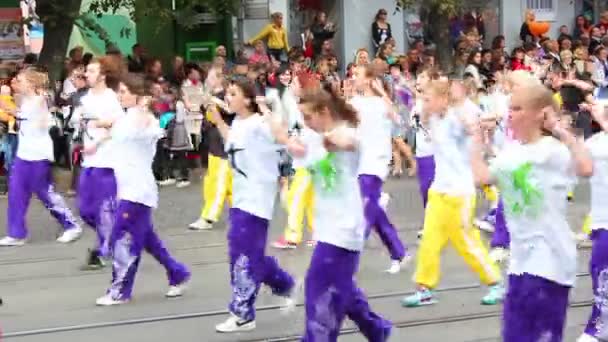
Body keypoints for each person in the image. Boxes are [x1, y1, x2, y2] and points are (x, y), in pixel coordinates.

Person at [470, 82, 592, 342]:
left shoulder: (553, 151)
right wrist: (477, 141)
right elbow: (481, 177)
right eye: (509, 108)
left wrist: (558, 128)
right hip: (521, 262)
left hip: (551, 261)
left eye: (517, 108)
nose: (509, 115)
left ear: (540, 113)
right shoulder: (512, 152)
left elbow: (585, 167)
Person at [402, 80, 503, 307]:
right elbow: (425, 117)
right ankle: (424, 288)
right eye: (424, 99)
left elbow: (473, 126)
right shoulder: (434, 118)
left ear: (443, 99)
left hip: (460, 193)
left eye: (428, 100)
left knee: (467, 242)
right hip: (439, 190)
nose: (424, 104)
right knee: (429, 239)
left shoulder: (456, 118)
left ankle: (495, 283)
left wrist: (474, 127)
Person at [95, 74, 190, 306]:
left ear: (138, 95)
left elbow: (141, 125)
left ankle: (119, 291)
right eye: (119, 91)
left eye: (125, 92)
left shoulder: (144, 118)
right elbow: (117, 130)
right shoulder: (127, 116)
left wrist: (143, 105)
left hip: (137, 190)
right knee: (147, 239)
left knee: (123, 238)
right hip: (126, 186)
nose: (120, 95)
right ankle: (177, 273)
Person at [210, 79, 296, 333]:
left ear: (247, 99)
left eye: (233, 93)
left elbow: (282, 137)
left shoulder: (260, 123)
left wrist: (266, 109)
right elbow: (233, 144)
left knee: (242, 257)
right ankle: (285, 284)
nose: (228, 96)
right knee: (249, 254)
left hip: (257, 198)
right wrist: (218, 122)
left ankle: (243, 314)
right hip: (241, 197)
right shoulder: (239, 122)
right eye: (227, 92)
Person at [0, 68, 82, 246]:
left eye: (20, 80)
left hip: (38, 156)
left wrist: (12, 110)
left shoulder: (40, 99)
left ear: (31, 83)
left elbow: (29, 116)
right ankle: (16, 233)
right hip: (24, 154)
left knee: (45, 193)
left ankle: (71, 225)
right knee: (16, 192)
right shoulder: (25, 99)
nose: (16, 83)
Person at [350, 65, 409, 274]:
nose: (353, 77)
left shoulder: (381, 103)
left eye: (357, 75)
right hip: (359, 159)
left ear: (369, 79)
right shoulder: (354, 102)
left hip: (376, 160)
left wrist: (382, 92)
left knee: (366, 210)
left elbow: (398, 120)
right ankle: (399, 252)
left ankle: (350, 256)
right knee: (374, 212)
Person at [74, 55, 125, 269]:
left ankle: (104, 251)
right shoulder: (85, 98)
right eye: (87, 70)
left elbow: (117, 126)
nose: (87, 74)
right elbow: (79, 121)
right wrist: (80, 121)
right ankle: (115, 235)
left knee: (105, 209)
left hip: (107, 161)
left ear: (103, 75)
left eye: (92, 71)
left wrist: (99, 138)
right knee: (85, 209)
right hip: (89, 161)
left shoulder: (112, 98)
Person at [578, 104, 608, 342]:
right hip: (600, 221)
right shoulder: (595, 143)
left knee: (601, 270)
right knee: (599, 271)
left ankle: (598, 329)